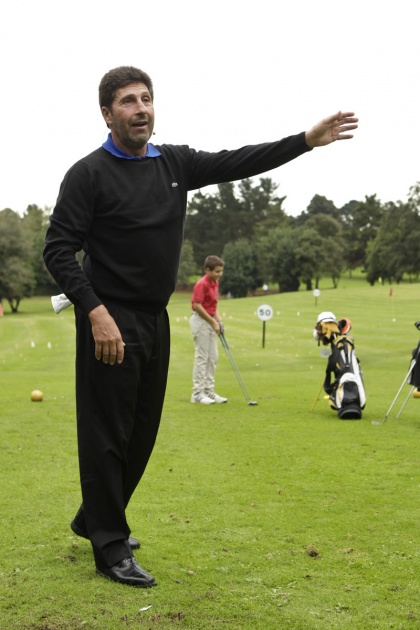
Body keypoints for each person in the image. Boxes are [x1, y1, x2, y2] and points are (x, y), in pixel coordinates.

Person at [43, 65, 358, 588]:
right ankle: (109, 545)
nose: (140, 108)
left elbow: (239, 161)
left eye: (146, 98)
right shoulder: (88, 174)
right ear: (107, 113)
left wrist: (305, 141)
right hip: (109, 319)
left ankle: (94, 517)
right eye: (127, 101)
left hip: (155, 317)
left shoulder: (174, 163)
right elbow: (58, 250)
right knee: (107, 432)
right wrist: (94, 312)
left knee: (141, 431)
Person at [190, 255, 227, 405]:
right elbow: (198, 306)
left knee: (213, 357)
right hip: (201, 322)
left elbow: (213, 305)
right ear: (207, 270)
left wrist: (219, 321)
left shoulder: (215, 282)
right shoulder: (202, 284)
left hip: (211, 321)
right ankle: (197, 393)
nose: (219, 274)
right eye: (217, 271)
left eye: (221, 271)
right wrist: (213, 322)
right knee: (202, 357)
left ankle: (209, 391)